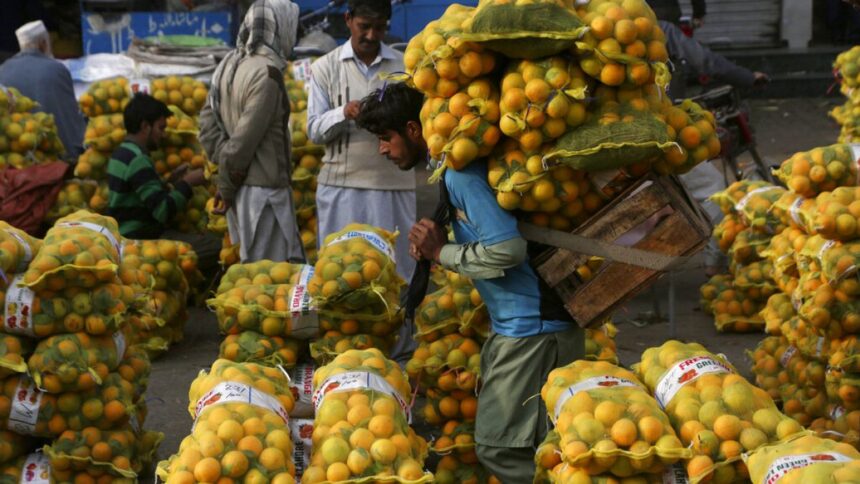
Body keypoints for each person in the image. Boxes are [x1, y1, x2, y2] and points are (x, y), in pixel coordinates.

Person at [356, 82, 584, 483]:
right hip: (523, 326)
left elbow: (508, 249)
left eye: (385, 138)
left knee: (500, 448)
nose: (382, 149)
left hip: (533, 328)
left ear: (413, 129)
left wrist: (440, 253)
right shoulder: (452, 171)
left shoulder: (461, 175)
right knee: (537, 441)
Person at [307, 0, 416, 282]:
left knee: (396, 274)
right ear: (347, 19)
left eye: (379, 28)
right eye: (364, 27)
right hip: (341, 188)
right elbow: (314, 130)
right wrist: (343, 113)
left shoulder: (403, 65)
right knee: (339, 275)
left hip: (393, 186)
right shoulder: (324, 68)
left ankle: (399, 327)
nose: (370, 35)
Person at [200, 0, 305, 263]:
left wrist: (227, 181)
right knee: (269, 278)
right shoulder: (267, 74)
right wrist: (226, 184)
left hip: (240, 189)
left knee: (250, 273)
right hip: (263, 196)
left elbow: (207, 124)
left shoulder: (227, 64)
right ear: (281, 26)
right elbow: (242, 144)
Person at [107, 94, 220, 271]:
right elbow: (162, 211)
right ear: (145, 126)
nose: (164, 134)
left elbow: (139, 195)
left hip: (126, 233)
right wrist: (188, 183)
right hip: (142, 238)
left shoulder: (120, 153)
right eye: (160, 128)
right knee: (216, 247)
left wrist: (171, 180)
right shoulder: (138, 160)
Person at [0, 20, 85, 160]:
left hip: (15, 154)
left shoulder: (3, 69)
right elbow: (68, 119)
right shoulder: (55, 69)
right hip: (52, 155)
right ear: (43, 44)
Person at [660, 19, 769, 99]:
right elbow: (703, 60)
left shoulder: (658, 30)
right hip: (661, 117)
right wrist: (747, 77)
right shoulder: (660, 30)